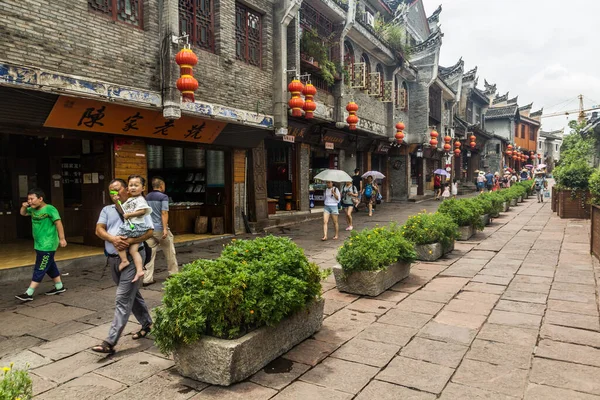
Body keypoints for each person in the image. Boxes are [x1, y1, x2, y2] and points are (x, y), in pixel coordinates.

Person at [91, 178, 154, 355]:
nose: (115, 194)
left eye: (117, 190)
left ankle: (110, 342)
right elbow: (99, 230)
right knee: (131, 293)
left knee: (122, 298)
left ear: (126, 190)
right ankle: (147, 323)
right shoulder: (107, 210)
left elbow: (149, 231)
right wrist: (113, 239)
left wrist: (130, 241)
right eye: (111, 191)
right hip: (113, 259)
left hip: (133, 257)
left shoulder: (137, 207)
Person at [15, 189, 67, 302]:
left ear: (40, 199)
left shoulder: (50, 209)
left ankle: (29, 293)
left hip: (48, 243)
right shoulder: (32, 209)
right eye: (28, 199)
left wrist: (62, 238)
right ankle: (59, 286)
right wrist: (24, 206)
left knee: (40, 267)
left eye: (32, 199)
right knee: (49, 264)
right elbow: (22, 213)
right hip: (39, 243)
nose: (30, 201)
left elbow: (58, 223)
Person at [115, 175, 152, 283]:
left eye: (136, 185)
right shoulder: (131, 200)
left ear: (143, 188)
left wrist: (130, 215)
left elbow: (143, 211)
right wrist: (117, 201)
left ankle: (124, 260)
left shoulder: (140, 199)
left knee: (118, 239)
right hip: (135, 227)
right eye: (131, 185)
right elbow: (122, 210)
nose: (133, 187)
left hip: (135, 226)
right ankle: (140, 270)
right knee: (133, 250)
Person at [143, 177, 179, 287]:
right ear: (161, 186)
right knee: (169, 252)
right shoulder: (163, 197)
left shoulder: (146, 197)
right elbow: (164, 213)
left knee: (149, 255)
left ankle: (147, 279)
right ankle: (173, 274)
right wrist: (164, 229)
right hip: (160, 229)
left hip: (149, 230)